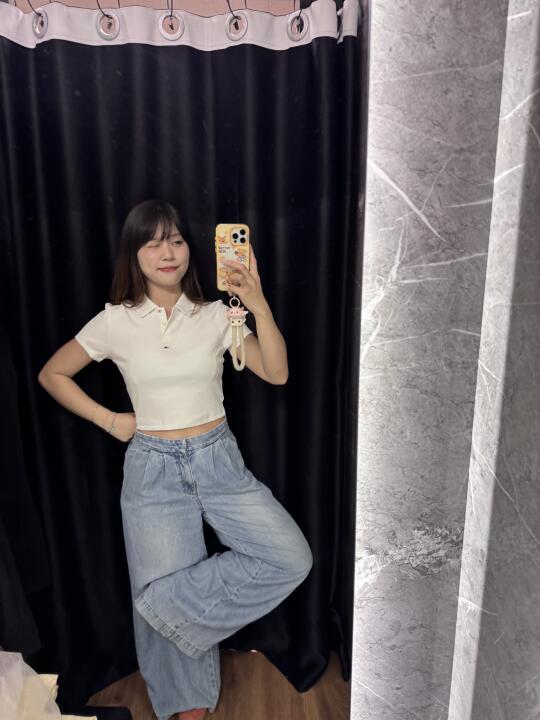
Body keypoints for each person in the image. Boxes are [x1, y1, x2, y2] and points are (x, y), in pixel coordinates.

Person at [37, 199, 313, 720]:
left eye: (176, 241)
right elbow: (52, 373)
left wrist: (257, 303)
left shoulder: (216, 315)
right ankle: (187, 703)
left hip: (218, 459)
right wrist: (109, 420)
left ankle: (155, 612)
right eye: (152, 243)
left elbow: (276, 373)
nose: (167, 253)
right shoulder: (116, 321)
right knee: (167, 583)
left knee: (289, 558)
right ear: (134, 254)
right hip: (152, 468)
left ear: (190, 249)